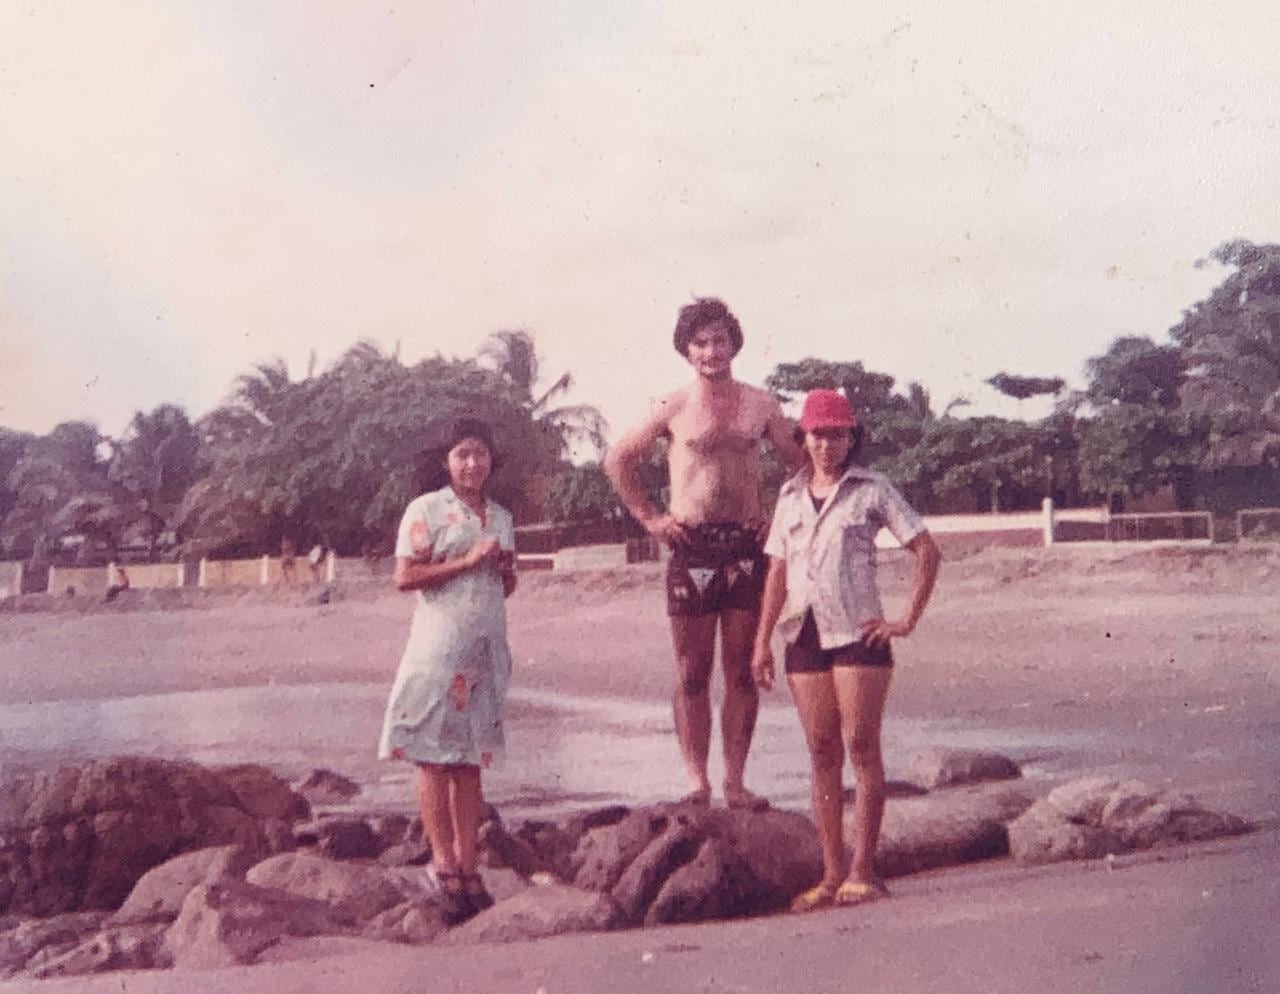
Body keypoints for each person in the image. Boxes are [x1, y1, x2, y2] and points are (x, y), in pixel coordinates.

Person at [605, 297, 802, 809]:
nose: (712, 350)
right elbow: (618, 459)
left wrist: (776, 518)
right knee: (692, 672)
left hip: (743, 546)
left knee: (740, 671)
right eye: (701, 342)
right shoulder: (672, 406)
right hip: (689, 545)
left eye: (719, 340)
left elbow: (800, 466)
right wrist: (650, 517)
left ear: (733, 343)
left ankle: (735, 781)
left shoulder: (762, 405)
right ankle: (697, 780)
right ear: (687, 352)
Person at [750, 389, 941, 911]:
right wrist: (761, 642)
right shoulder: (789, 496)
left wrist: (905, 620)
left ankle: (864, 869)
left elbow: (926, 549)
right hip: (803, 633)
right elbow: (777, 571)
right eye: (818, 434)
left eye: (837, 434)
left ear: (851, 437)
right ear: (803, 439)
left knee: (860, 745)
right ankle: (831, 873)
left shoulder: (872, 489)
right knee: (821, 753)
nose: (827, 444)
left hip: (860, 633)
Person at [377, 417, 518, 924]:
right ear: (447, 461)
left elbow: (506, 584)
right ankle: (443, 863)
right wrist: (467, 560)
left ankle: (469, 863)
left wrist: (501, 568)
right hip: (439, 648)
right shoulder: (427, 509)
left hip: (483, 650)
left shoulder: (500, 516)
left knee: (469, 760)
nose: (472, 463)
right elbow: (404, 576)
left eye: (480, 454)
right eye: (462, 454)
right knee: (433, 756)